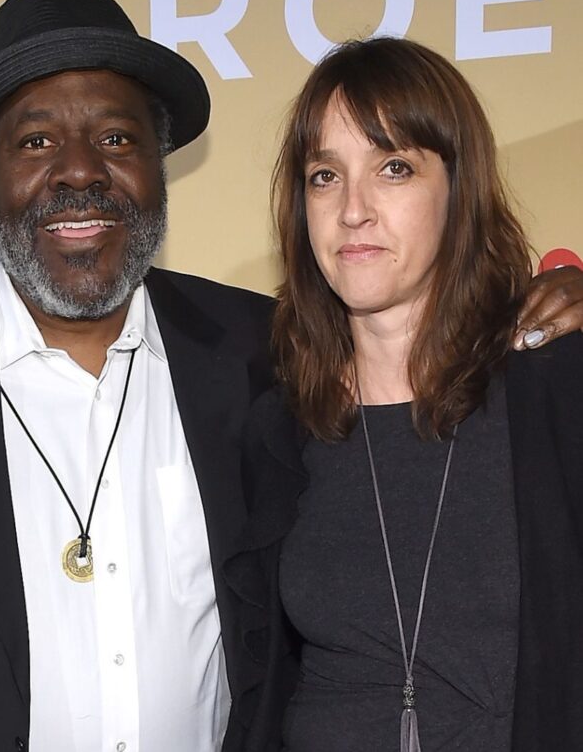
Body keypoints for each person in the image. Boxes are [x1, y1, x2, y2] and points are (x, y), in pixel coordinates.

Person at [0, 0, 583, 752]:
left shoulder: (255, 354)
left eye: (116, 138)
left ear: (160, 166)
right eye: (36, 142)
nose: (80, 172)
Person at [223, 36, 583, 751]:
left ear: (459, 189)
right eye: (325, 176)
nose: (353, 209)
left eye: (394, 168)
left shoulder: (552, 391)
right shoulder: (281, 427)